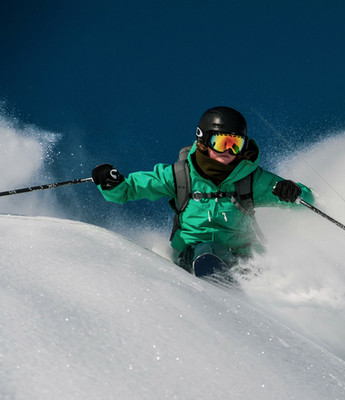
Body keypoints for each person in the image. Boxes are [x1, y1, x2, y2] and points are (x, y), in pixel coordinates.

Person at [92, 106, 314, 275]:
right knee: (207, 248)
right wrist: (112, 183)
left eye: (235, 144)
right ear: (204, 140)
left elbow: (306, 201)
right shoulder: (181, 176)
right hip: (193, 256)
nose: (228, 150)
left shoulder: (251, 179)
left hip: (243, 257)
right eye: (222, 142)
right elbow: (130, 188)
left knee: (263, 262)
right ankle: (214, 281)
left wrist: (293, 191)